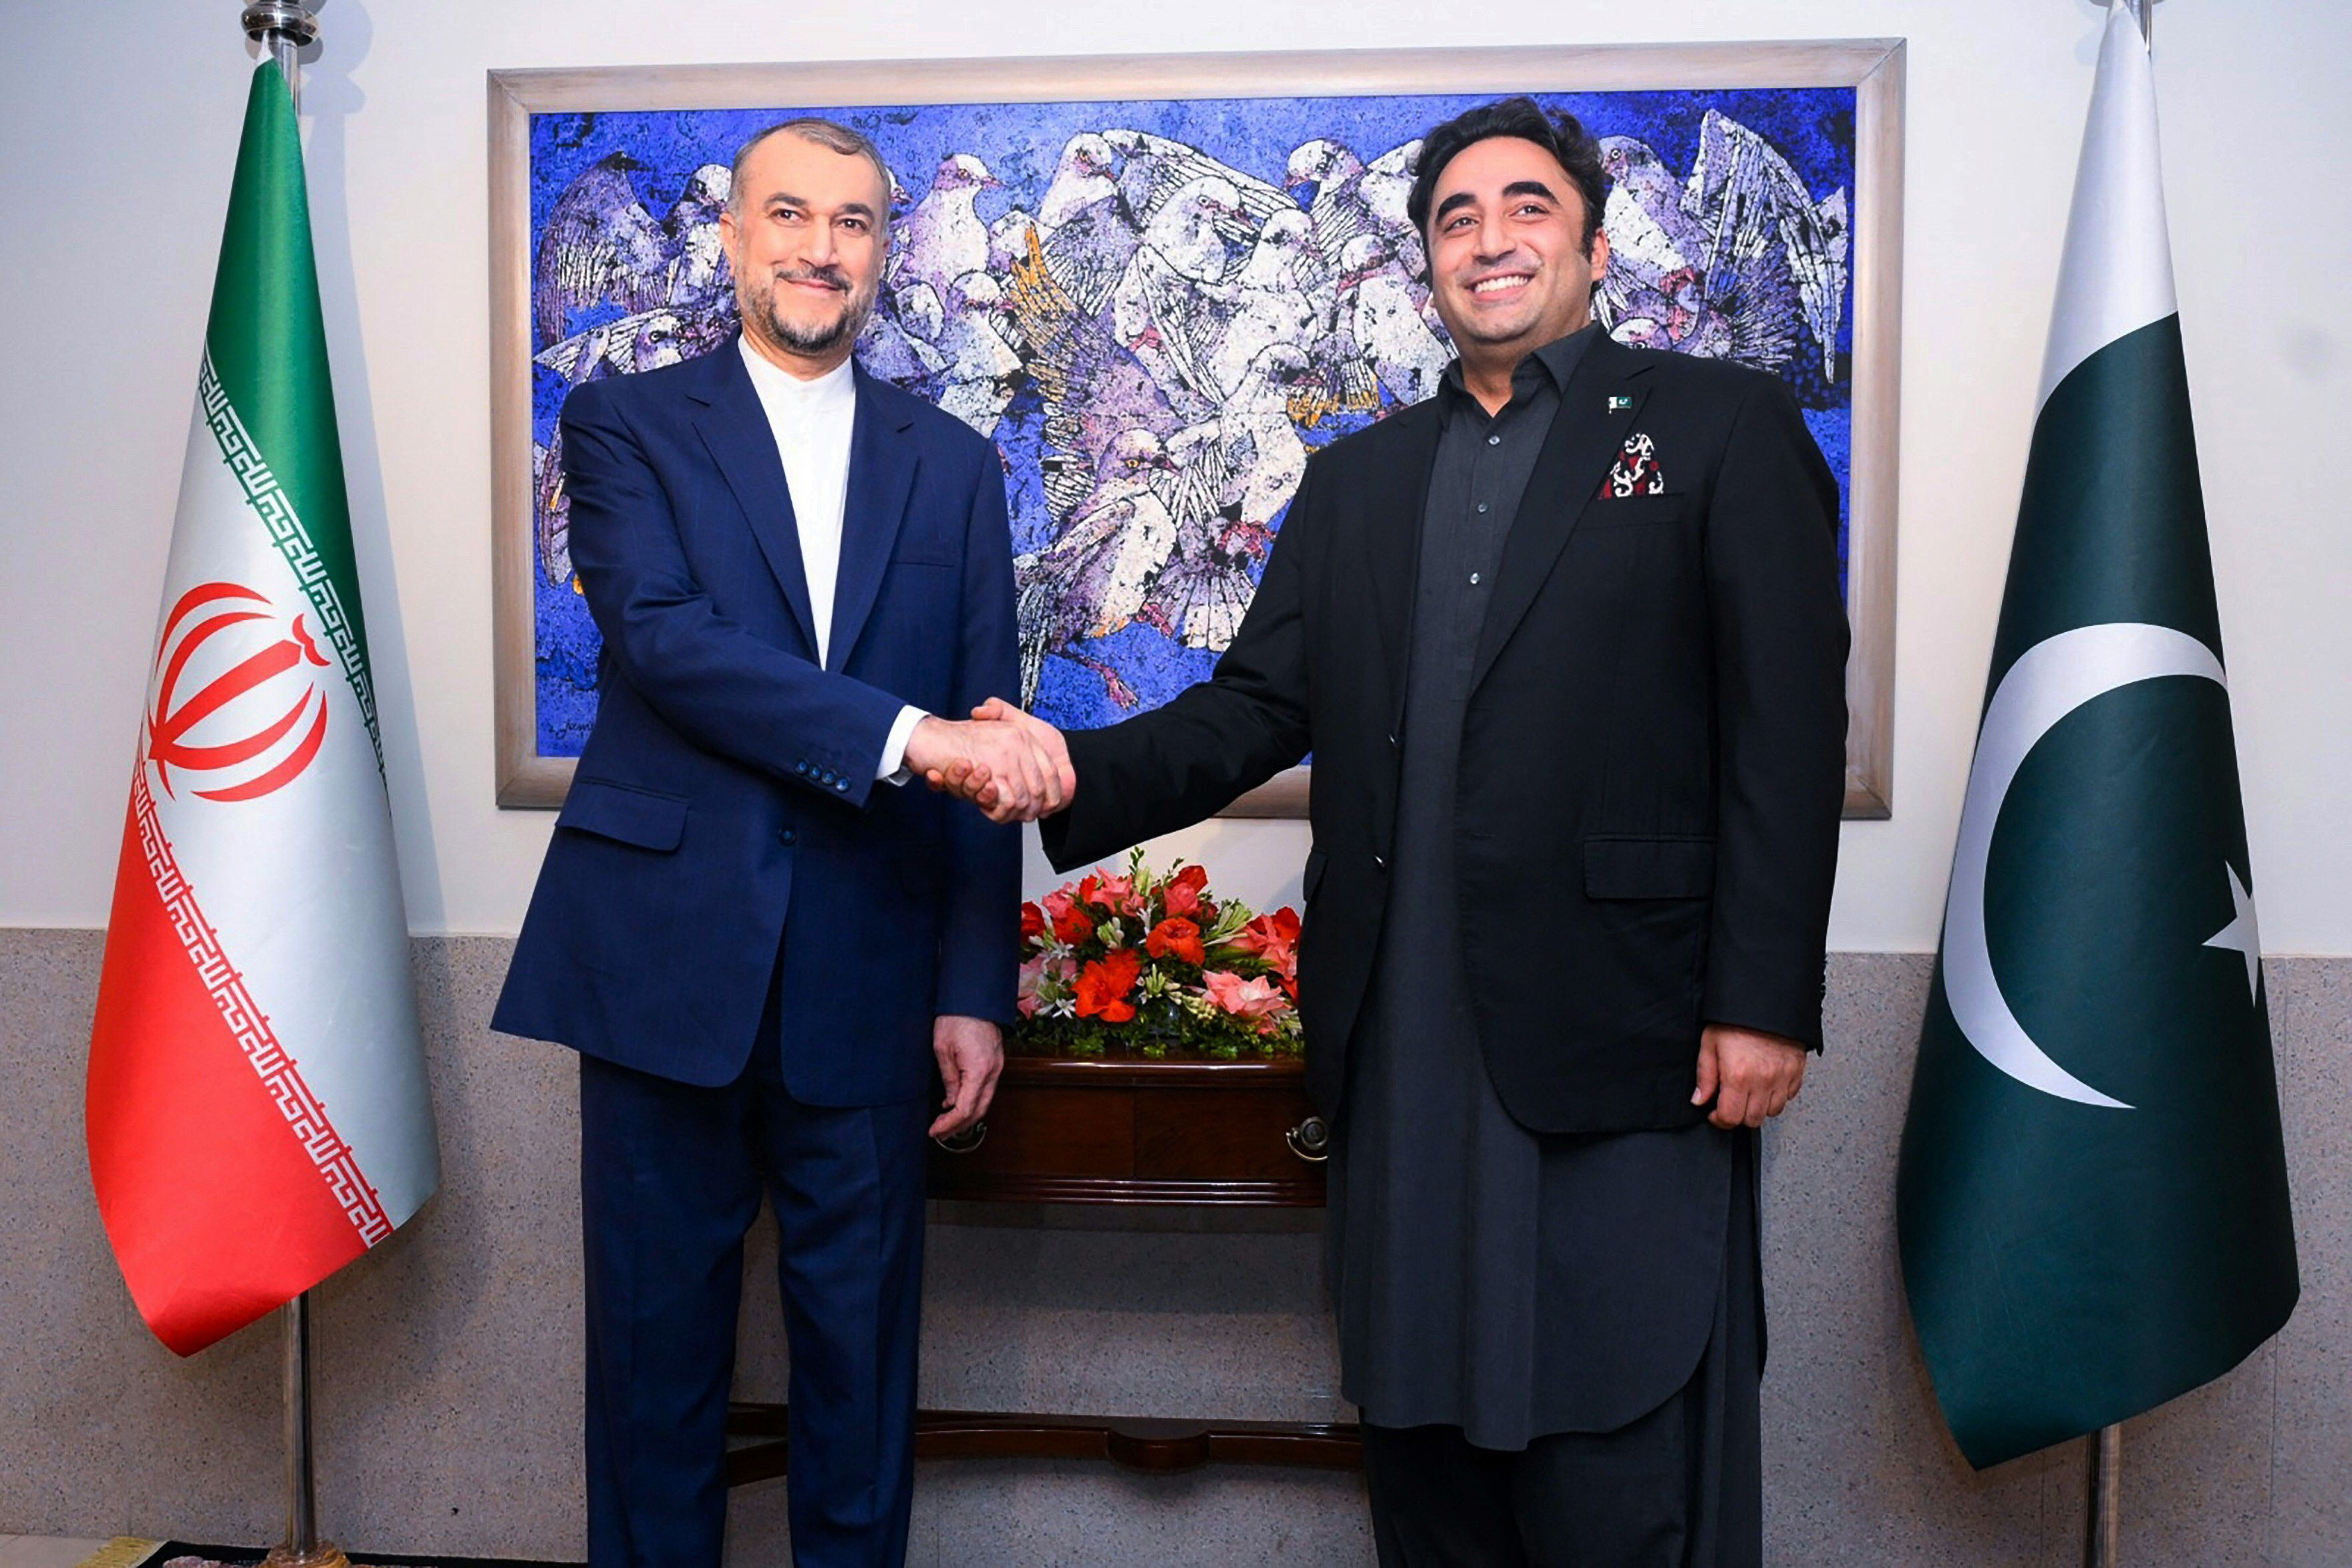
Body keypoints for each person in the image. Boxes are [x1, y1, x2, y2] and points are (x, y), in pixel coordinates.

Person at [943, 99, 1848, 1566]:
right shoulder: (1355, 484)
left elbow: (1785, 736)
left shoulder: (1714, 429)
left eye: (1526, 206)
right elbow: (1243, 712)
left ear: (1593, 244)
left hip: (1627, 1029)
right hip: (1402, 1038)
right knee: (1422, 1444)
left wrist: (1761, 1001)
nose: (1490, 238)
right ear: (1423, 262)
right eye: (1455, 218)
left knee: (1621, 1450)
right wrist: (1060, 768)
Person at [492, 118, 1066, 1568]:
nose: (821, 248)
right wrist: (910, 738)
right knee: (651, 1373)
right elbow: (669, 647)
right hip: (658, 965)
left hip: (871, 978)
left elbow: (987, 729)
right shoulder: (623, 424)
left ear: (883, 252)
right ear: (734, 238)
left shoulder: (950, 466)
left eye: (855, 222)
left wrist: (971, 984)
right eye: (790, 216)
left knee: (862, 1379)